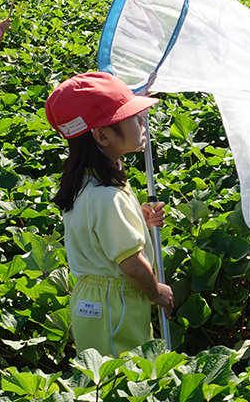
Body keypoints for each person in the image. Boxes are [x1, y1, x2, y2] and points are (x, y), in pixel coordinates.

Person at [43, 72, 172, 357]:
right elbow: (132, 265)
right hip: (116, 303)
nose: (142, 123)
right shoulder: (108, 195)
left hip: (92, 300)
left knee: (99, 375)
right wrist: (157, 292)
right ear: (102, 135)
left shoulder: (85, 184)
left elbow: (97, 233)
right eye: (132, 118)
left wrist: (139, 219)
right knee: (126, 373)